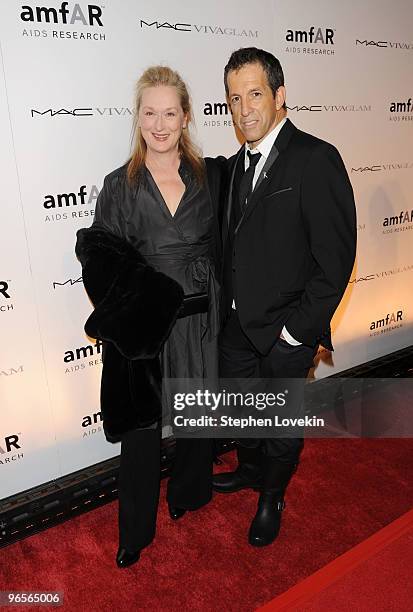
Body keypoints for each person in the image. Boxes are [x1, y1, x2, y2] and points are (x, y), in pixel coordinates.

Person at [76, 66, 225, 568]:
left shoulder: (211, 179)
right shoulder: (120, 185)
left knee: (197, 420)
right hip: (144, 329)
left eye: (169, 113)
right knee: (141, 435)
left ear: (186, 117)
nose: (159, 124)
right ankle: (135, 532)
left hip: (200, 321)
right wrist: (133, 309)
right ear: (137, 118)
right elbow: (99, 257)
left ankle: (187, 494)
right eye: (149, 113)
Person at [213, 47, 357, 547]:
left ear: (279, 96)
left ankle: (272, 497)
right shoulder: (233, 168)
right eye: (234, 98)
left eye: (254, 94)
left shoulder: (316, 158)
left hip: (283, 335)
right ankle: (251, 472)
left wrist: (296, 333)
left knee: (280, 427)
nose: (244, 108)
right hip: (236, 331)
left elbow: (335, 262)